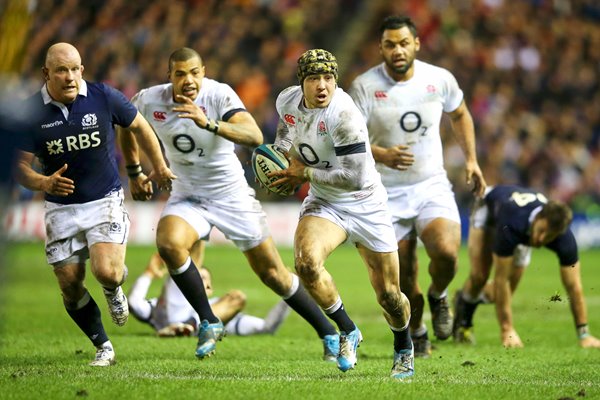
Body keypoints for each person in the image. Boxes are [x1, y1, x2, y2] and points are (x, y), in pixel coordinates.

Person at [119, 47, 340, 361]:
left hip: (231, 196)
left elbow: (252, 134)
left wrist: (208, 123)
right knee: (168, 243)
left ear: (204, 72)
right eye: (180, 74)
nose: (188, 80)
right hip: (188, 196)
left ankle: (327, 331)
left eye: (194, 73)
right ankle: (208, 320)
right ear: (169, 76)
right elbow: (126, 125)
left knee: (273, 274)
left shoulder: (219, 95)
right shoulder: (150, 99)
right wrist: (134, 171)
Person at [13, 43, 176, 367]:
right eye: (61, 70)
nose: (70, 77)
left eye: (75, 69)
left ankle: (114, 287)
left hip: (104, 200)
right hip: (60, 208)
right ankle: (103, 346)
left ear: (82, 70)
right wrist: (43, 182)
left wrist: (156, 167)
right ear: (46, 73)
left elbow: (140, 127)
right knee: (70, 287)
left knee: (107, 272)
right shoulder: (31, 112)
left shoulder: (104, 96)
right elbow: (18, 165)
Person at [267, 48, 414, 379]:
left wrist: (302, 174)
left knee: (390, 296)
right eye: (314, 78)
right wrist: (277, 157)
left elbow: (353, 177)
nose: (322, 86)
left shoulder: (344, 116)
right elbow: (286, 130)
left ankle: (404, 347)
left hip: (366, 203)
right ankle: (348, 330)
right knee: (305, 263)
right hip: (326, 201)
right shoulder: (287, 101)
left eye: (329, 78)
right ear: (301, 82)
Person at [348, 15, 487, 358]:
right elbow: (349, 139)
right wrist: (381, 153)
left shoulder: (438, 79)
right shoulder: (364, 87)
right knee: (405, 280)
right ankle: (419, 331)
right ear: (381, 48)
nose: (398, 50)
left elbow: (460, 114)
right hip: (384, 193)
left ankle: (440, 294)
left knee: (446, 252)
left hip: (430, 185)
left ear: (416, 44)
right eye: (390, 45)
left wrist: (471, 160)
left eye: (403, 43)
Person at [453, 185, 600, 349]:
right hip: (488, 208)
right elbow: (501, 280)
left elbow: (574, 287)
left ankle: (463, 298)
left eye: (550, 236)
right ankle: (465, 319)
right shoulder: (512, 222)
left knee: (498, 295)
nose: (541, 239)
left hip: (521, 229)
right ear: (538, 218)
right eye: (541, 230)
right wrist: (507, 330)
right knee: (480, 276)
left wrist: (584, 334)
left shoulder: (565, 240)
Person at [128, 248, 290, 337]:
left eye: (203, 278)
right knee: (187, 260)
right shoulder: (161, 305)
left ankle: (191, 328)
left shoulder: (221, 309)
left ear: (209, 289)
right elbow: (134, 303)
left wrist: (289, 293)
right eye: (196, 277)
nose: (198, 281)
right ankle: (188, 328)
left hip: (190, 323)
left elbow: (265, 327)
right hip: (172, 320)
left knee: (237, 298)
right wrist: (148, 273)